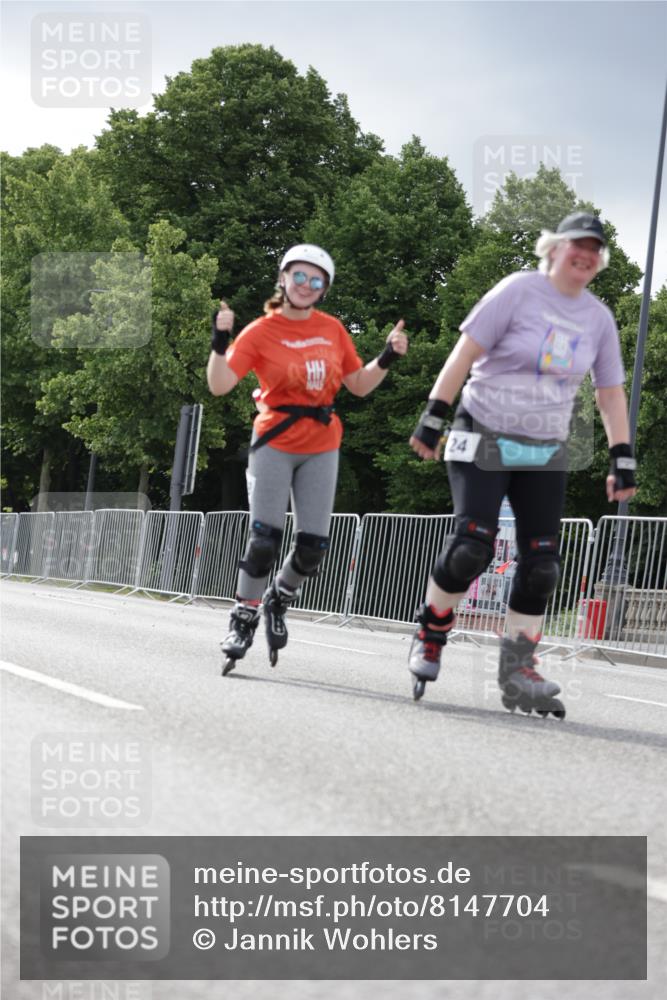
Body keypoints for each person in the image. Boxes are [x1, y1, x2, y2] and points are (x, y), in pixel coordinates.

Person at [408, 212, 637, 715]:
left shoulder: (598, 319)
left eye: (595, 249)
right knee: (471, 547)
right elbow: (464, 353)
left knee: (542, 565)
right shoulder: (517, 290)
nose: (586, 254)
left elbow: (610, 393)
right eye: (578, 244)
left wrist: (622, 457)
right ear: (554, 248)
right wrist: (434, 415)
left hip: (544, 446)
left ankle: (517, 670)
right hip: (482, 428)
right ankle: (431, 631)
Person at [208, 243, 408, 672]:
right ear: (283, 279)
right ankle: (243, 618)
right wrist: (219, 341)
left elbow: (358, 384)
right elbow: (220, 384)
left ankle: (279, 596)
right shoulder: (261, 331)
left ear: (324, 289)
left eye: (316, 280)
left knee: (314, 547)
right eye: (298, 275)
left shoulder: (332, 329)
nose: (306, 285)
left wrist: (387, 356)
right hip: (275, 440)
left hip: (321, 442)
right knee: (264, 540)